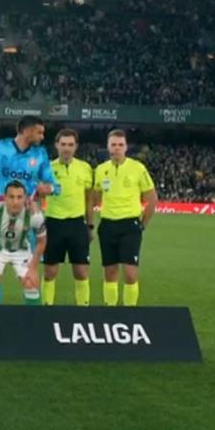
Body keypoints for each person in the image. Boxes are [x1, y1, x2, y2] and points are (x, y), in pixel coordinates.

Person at [93, 129, 157, 306]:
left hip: (130, 226)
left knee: (130, 274)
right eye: (113, 145)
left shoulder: (137, 168)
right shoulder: (100, 170)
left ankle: (130, 312)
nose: (116, 148)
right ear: (108, 147)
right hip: (107, 225)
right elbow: (95, 197)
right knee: (110, 273)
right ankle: (111, 310)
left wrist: (142, 225)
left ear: (126, 147)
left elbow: (152, 199)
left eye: (120, 145)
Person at [0, 181, 47, 306]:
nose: (15, 201)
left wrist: (33, 268)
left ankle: (34, 321)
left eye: (19, 197)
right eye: (11, 197)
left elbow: (42, 241)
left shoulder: (35, 215)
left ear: (25, 198)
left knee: (31, 283)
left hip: (21, 250)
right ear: (5, 197)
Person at [42, 129, 94, 306]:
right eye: (63, 144)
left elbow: (89, 198)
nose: (66, 148)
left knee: (81, 271)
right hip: (53, 223)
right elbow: (39, 195)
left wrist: (90, 225)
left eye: (70, 145)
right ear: (57, 145)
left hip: (77, 224)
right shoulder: (47, 168)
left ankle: (83, 308)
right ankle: (46, 307)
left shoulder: (85, 168)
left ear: (76, 147)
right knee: (50, 271)